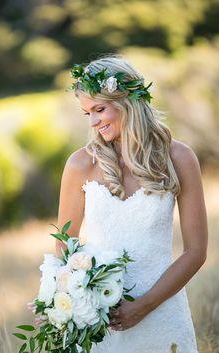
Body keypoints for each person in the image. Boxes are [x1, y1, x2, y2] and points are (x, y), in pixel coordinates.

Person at [55, 55, 208, 353]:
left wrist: (143, 306)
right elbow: (64, 249)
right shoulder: (80, 164)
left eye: (99, 109)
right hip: (100, 320)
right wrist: (67, 305)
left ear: (128, 101)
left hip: (163, 310)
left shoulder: (179, 158)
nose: (94, 121)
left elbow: (196, 252)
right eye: (87, 112)